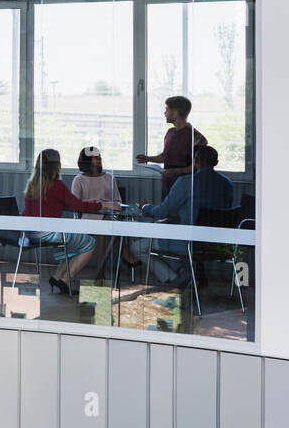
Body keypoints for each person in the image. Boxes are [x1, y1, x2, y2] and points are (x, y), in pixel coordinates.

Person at [130, 145, 234, 286]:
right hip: (219, 244)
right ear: (216, 163)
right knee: (168, 232)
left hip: (189, 243)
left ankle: (174, 279)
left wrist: (145, 207)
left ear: (195, 161)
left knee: (138, 247)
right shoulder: (227, 184)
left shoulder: (186, 182)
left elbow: (162, 212)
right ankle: (183, 272)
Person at [21, 148, 109, 295]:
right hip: (49, 234)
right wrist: (104, 204)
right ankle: (66, 280)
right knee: (90, 243)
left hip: (31, 233)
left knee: (75, 240)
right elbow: (79, 205)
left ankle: (56, 278)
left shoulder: (32, 185)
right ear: (57, 166)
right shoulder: (57, 185)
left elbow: (35, 209)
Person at [72, 145, 139, 269]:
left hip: (108, 216)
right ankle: (124, 254)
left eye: (99, 156)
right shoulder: (79, 180)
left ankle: (100, 271)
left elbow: (118, 200)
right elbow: (75, 203)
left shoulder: (109, 177)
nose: (99, 159)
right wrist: (99, 203)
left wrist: (110, 207)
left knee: (106, 223)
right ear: (87, 160)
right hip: (88, 217)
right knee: (107, 224)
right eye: (95, 157)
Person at [137, 95, 207, 194]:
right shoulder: (170, 132)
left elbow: (198, 166)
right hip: (167, 184)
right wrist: (148, 158)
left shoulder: (197, 137)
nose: (165, 113)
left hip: (185, 188)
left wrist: (177, 171)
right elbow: (165, 156)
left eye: (167, 109)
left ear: (175, 112)